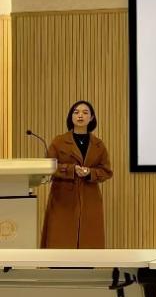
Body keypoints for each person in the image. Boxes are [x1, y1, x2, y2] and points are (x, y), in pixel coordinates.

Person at [41, 100, 113, 248]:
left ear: (91, 118)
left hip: (90, 197)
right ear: (71, 117)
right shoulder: (59, 141)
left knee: (89, 241)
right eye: (76, 112)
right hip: (62, 197)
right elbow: (48, 166)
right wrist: (71, 170)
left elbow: (106, 171)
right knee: (61, 240)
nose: (80, 115)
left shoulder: (98, 145)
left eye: (85, 113)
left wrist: (89, 172)